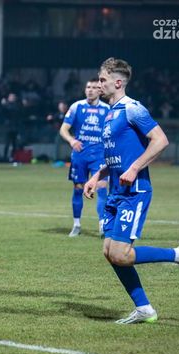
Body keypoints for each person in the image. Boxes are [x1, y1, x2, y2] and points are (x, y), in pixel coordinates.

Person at [84, 57, 179, 324]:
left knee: (121, 254)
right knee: (109, 252)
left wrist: (135, 167)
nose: (98, 84)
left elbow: (160, 140)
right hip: (115, 192)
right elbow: (117, 156)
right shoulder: (110, 113)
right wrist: (97, 176)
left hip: (134, 191)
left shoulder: (132, 109)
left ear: (118, 82)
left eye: (102, 80)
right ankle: (144, 309)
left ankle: (176, 254)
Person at [60, 78, 110, 237]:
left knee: (101, 188)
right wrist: (71, 140)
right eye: (88, 87)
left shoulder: (107, 109)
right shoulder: (77, 107)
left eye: (94, 87)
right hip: (80, 155)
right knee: (78, 190)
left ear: (100, 91)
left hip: (99, 156)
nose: (90, 90)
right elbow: (63, 129)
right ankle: (76, 224)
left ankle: (102, 225)